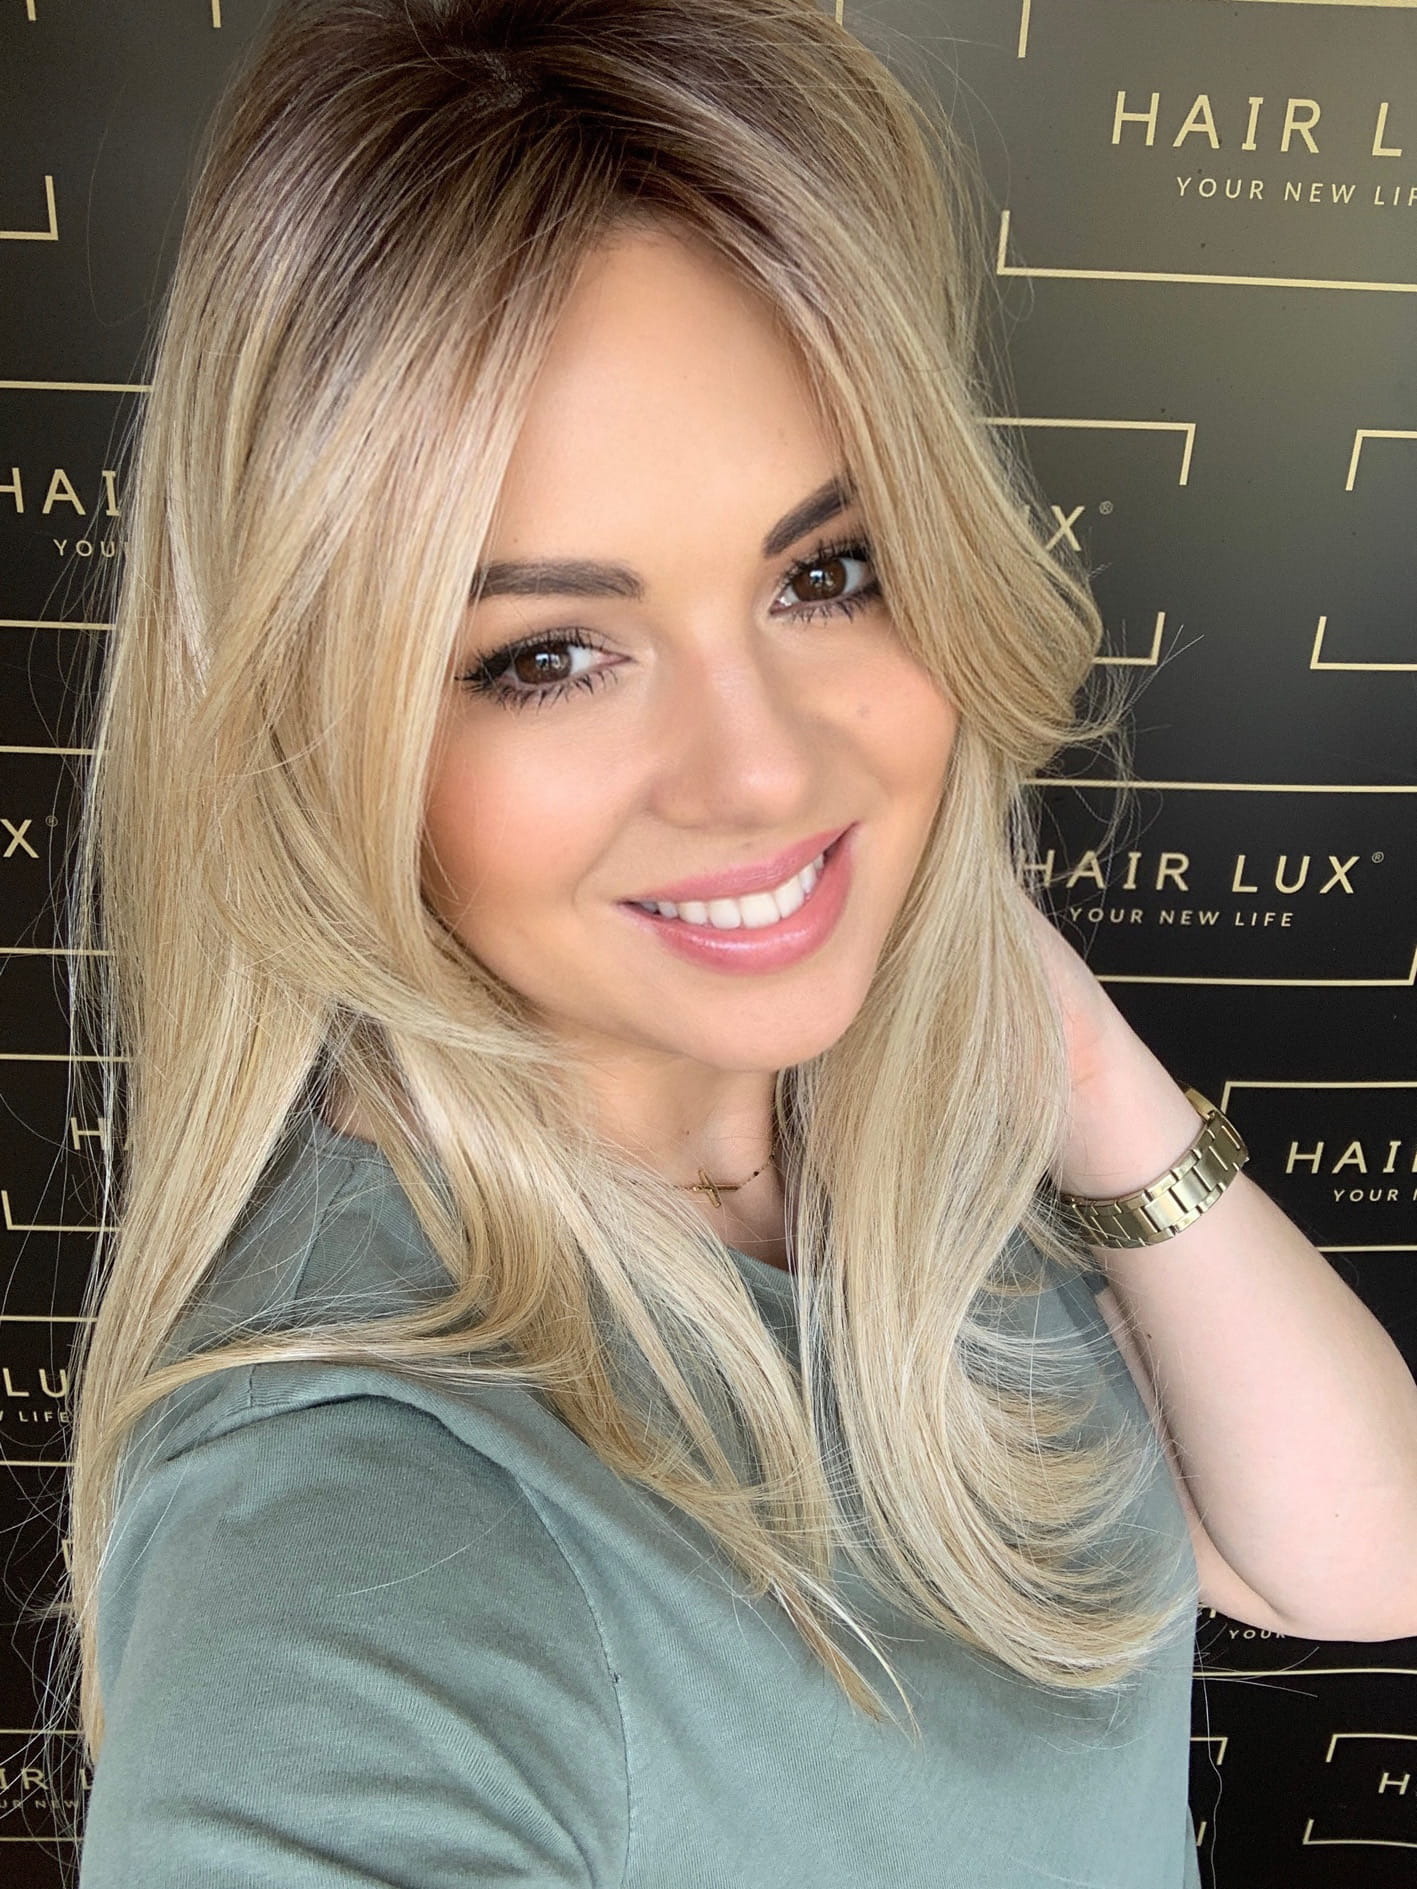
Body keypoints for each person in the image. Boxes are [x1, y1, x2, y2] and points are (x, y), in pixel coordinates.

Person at [59, 0, 1417, 1883]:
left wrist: (1079, 1066)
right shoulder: (346, 1527)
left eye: (824, 572)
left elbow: (1354, 1551)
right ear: (316, 721)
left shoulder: (886, 1128)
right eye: (550, 653)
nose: (764, 768)